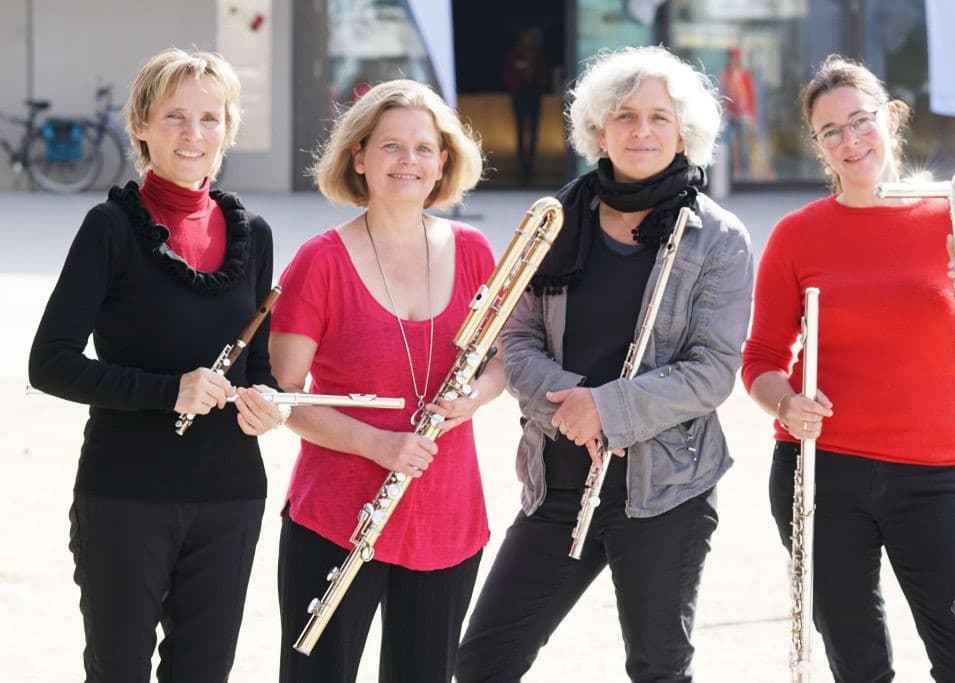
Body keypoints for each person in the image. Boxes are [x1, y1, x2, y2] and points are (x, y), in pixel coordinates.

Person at [456, 45, 753, 682]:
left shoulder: (718, 237)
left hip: (664, 488)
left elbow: (711, 370)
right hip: (559, 475)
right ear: (599, 130)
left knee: (657, 668)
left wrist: (606, 409)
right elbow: (517, 338)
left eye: (658, 117)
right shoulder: (552, 222)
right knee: (483, 660)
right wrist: (572, 408)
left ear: (684, 133)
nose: (641, 130)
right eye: (625, 116)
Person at [741, 54, 955, 682]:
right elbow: (761, 360)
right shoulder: (797, 234)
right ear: (817, 145)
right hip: (823, 471)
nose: (851, 141)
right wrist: (786, 403)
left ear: (892, 119)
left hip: (937, 474)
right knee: (859, 665)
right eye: (830, 131)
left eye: (861, 121)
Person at [28, 48, 283, 681]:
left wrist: (268, 405)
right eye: (175, 116)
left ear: (228, 129)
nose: (193, 134)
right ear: (142, 125)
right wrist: (169, 391)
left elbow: (260, 369)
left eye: (210, 118)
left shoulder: (253, 234)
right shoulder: (110, 228)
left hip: (230, 496)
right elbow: (50, 363)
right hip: (126, 494)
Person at [271, 79, 503, 682]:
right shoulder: (319, 260)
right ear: (359, 157)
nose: (409, 161)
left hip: (446, 517)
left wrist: (475, 396)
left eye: (424, 148)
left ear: (443, 163)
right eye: (391, 146)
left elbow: (505, 360)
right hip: (337, 516)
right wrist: (377, 444)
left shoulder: (475, 251)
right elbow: (285, 395)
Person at [502, 27, 549, 184]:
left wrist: (539, 86)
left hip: (534, 95)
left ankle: (531, 166)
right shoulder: (515, 54)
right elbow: (508, 73)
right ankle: (522, 168)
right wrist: (515, 87)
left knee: (534, 131)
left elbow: (544, 74)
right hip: (520, 95)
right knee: (521, 131)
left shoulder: (537, 55)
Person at [719, 46, 756, 181]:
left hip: (743, 116)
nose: (733, 60)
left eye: (736, 58)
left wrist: (752, 116)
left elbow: (751, 97)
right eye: (731, 58)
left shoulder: (745, 76)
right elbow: (721, 94)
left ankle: (744, 176)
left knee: (743, 147)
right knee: (730, 146)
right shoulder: (725, 75)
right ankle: (732, 175)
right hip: (729, 115)